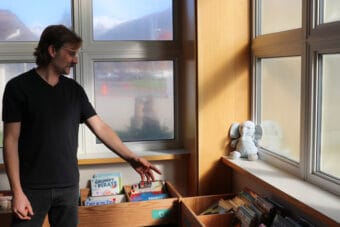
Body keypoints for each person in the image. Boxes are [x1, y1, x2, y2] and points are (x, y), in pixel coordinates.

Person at [2, 24, 161, 227]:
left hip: (68, 187)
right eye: (71, 53)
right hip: (31, 189)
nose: (75, 60)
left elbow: (101, 128)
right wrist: (17, 191)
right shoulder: (18, 87)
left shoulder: (74, 91)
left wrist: (131, 157)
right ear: (52, 51)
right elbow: (11, 141)